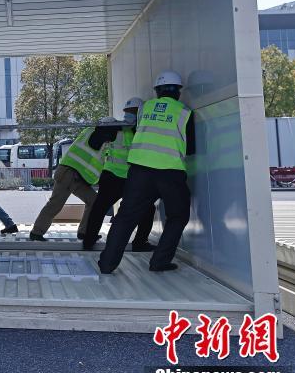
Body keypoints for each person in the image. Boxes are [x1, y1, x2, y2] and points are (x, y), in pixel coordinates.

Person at [99, 71, 195, 274]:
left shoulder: (145, 108)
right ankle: (159, 261)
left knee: (125, 217)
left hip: (139, 171)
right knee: (178, 216)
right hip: (170, 172)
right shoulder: (185, 112)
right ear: (178, 91)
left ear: (157, 91)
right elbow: (191, 148)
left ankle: (107, 264)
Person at [80, 97, 157, 252]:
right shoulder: (140, 129)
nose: (129, 114)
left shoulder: (118, 128)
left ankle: (88, 241)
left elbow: (94, 143)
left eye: (131, 111)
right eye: (129, 112)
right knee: (147, 209)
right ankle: (140, 242)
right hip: (130, 178)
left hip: (112, 176)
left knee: (99, 209)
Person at [29, 119, 121, 241]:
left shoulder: (94, 134)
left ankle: (84, 232)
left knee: (92, 201)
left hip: (75, 176)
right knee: (56, 204)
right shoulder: (95, 133)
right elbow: (97, 143)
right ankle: (37, 232)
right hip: (69, 173)